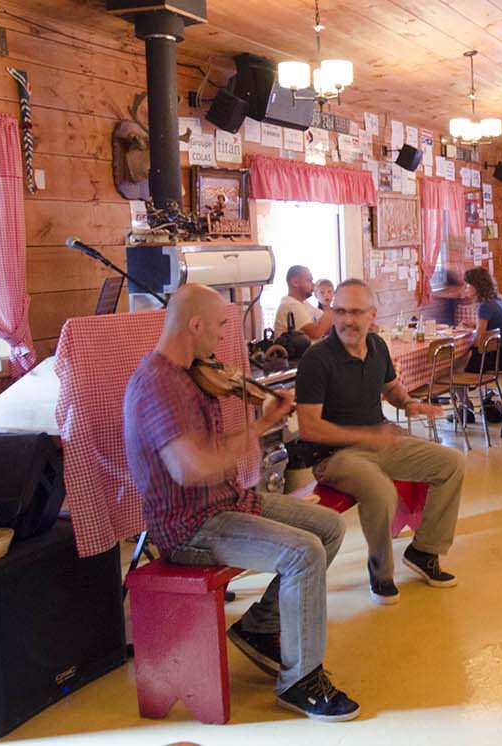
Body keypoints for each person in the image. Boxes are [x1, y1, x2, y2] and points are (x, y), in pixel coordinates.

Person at [123, 284, 359, 721]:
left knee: (327, 528)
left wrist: (266, 419)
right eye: (218, 326)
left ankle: (259, 627)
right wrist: (256, 431)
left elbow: (210, 455)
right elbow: (190, 468)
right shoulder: (157, 384)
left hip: (227, 503)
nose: (222, 336)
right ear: (194, 325)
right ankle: (300, 681)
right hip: (189, 525)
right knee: (303, 552)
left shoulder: (187, 372)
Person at [294, 280, 464, 606]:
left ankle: (423, 551)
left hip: (379, 441)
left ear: (372, 315)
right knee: (381, 490)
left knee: (451, 463)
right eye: (340, 311)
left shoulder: (377, 347)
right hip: (335, 456)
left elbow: (391, 389)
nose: (347, 320)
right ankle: (381, 572)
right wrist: (369, 436)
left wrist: (409, 403)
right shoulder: (317, 359)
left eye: (356, 312)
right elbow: (310, 429)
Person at [462, 266, 502, 373]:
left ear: (476, 286)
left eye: (467, 285)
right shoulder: (497, 300)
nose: (465, 289)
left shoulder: (485, 306)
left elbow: (479, 340)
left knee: (463, 359)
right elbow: (492, 326)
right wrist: (474, 325)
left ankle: (464, 383)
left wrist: (466, 349)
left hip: (498, 357)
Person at [274, 265, 334, 339]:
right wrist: (332, 308)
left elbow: (324, 318)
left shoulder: (303, 303)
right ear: (295, 282)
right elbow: (316, 333)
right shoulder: (291, 305)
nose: (313, 284)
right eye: (309, 280)